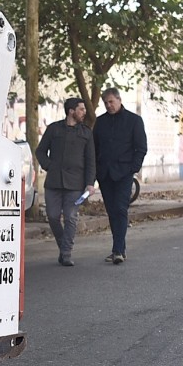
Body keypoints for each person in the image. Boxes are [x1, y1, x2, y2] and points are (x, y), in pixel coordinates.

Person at [35, 97, 94, 266]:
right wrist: (49, 166)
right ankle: (63, 246)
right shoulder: (54, 129)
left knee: (70, 217)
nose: (84, 112)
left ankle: (66, 252)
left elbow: (91, 161)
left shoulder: (86, 133)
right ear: (71, 111)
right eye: (81, 109)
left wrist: (90, 183)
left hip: (76, 184)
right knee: (53, 217)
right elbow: (40, 151)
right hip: (53, 182)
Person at [92, 87, 147, 265]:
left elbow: (141, 147)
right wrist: (96, 171)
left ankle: (118, 250)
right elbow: (94, 148)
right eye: (106, 103)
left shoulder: (134, 121)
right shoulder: (100, 122)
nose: (109, 105)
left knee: (120, 209)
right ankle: (118, 248)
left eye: (111, 102)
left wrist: (133, 168)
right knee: (111, 210)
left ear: (119, 100)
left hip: (124, 173)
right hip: (105, 174)